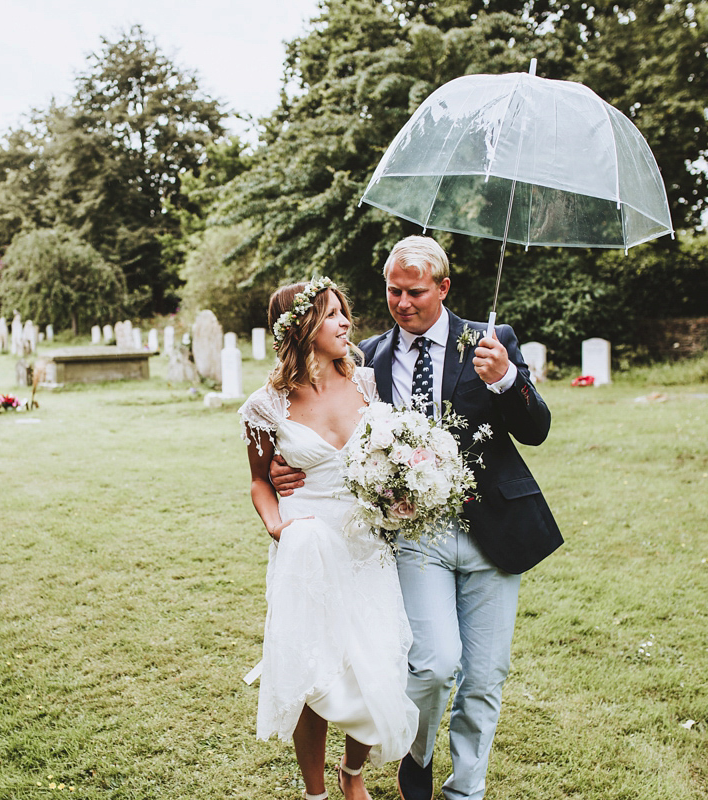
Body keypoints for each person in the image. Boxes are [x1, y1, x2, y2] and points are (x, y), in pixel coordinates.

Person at [271, 236, 563, 800]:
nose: (402, 302)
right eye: (393, 290)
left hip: (495, 532)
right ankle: (418, 757)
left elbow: (537, 429)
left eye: (415, 291)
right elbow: (319, 416)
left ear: (443, 288)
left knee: (484, 678)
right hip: (414, 535)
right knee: (430, 664)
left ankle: (465, 791)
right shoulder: (366, 358)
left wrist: (505, 379)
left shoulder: (489, 341)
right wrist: (286, 464)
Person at [240, 277, 418, 800]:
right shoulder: (266, 405)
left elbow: (385, 455)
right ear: (301, 327)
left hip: (366, 542)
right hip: (308, 545)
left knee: (374, 658)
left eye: (345, 312)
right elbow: (258, 480)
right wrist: (278, 526)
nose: (346, 323)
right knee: (311, 668)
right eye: (332, 314)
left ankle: (353, 771)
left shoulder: (364, 382)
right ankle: (316, 793)